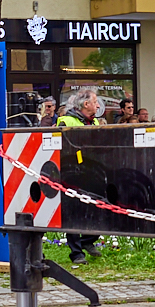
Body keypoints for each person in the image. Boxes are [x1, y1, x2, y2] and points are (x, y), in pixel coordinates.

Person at [57, 88, 104, 264]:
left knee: (99, 209)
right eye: (95, 102)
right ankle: (77, 253)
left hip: (94, 173)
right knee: (73, 214)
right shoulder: (65, 121)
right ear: (86, 104)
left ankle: (88, 241)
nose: (98, 105)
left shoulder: (95, 123)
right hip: (72, 175)